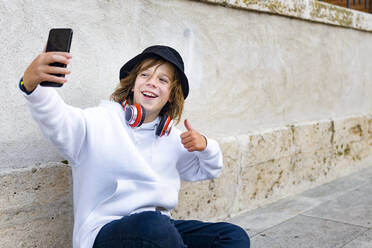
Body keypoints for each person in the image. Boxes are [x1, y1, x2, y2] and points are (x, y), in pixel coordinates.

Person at [19, 45, 250, 248]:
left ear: (171, 95)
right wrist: (34, 87)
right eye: (145, 74)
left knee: (232, 236)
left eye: (163, 79)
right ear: (132, 85)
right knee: (154, 226)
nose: (152, 82)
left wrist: (206, 146)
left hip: (159, 231)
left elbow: (208, 170)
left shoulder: (172, 137)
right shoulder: (99, 121)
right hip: (105, 232)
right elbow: (57, 118)